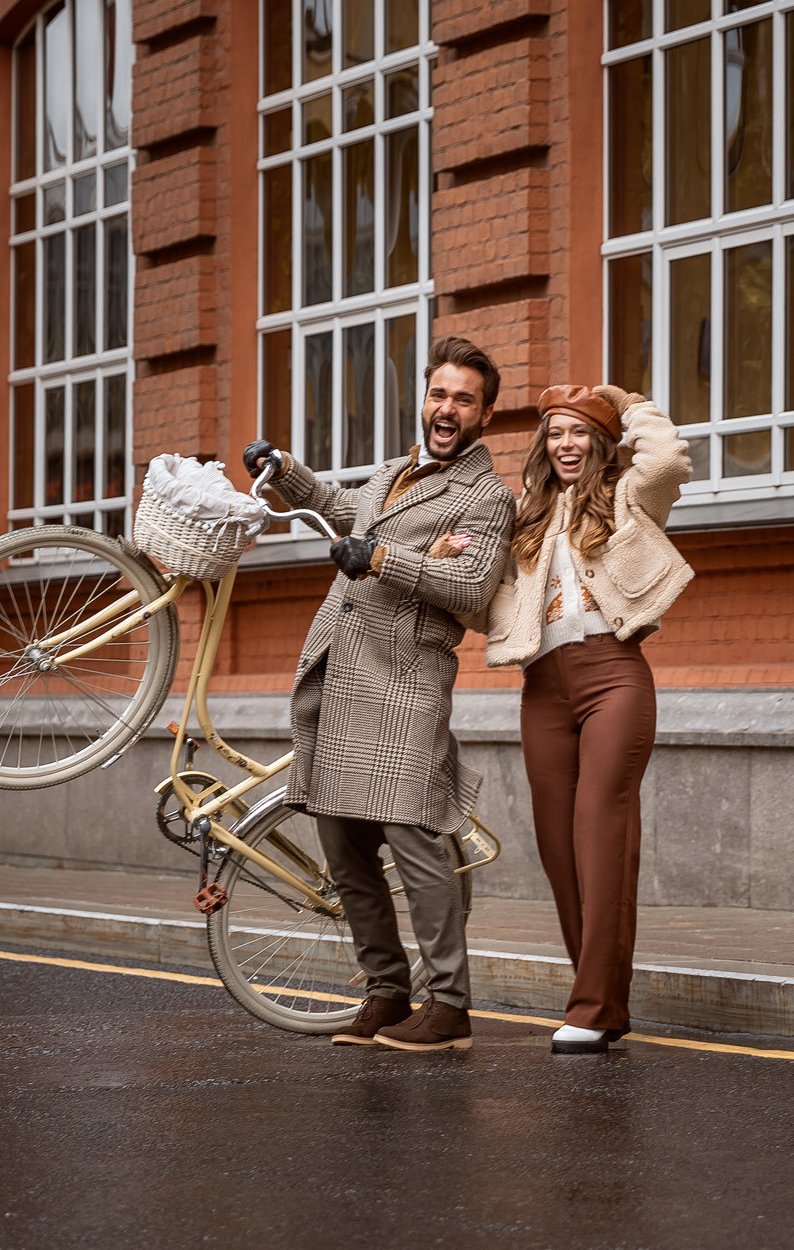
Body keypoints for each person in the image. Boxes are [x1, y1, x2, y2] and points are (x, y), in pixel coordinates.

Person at [243, 335, 514, 1052]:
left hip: (404, 683)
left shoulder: (487, 497)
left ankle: (449, 1005)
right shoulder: (395, 470)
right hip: (341, 673)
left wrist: (385, 558)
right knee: (343, 845)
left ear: (485, 414)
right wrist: (285, 471)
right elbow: (342, 508)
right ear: (424, 399)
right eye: (438, 394)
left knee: (414, 838)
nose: (446, 408)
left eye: (463, 400)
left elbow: (470, 587)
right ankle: (388, 991)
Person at [482, 384, 693, 1054]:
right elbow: (486, 606)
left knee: (600, 837)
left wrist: (629, 406)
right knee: (558, 848)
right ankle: (602, 998)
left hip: (613, 676)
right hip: (542, 688)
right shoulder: (526, 515)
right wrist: (455, 558)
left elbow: (667, 461)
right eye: (555, 433)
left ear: (599, 443)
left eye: (578, 432)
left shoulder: (629, 496)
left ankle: (592, 1006)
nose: (565, 444)